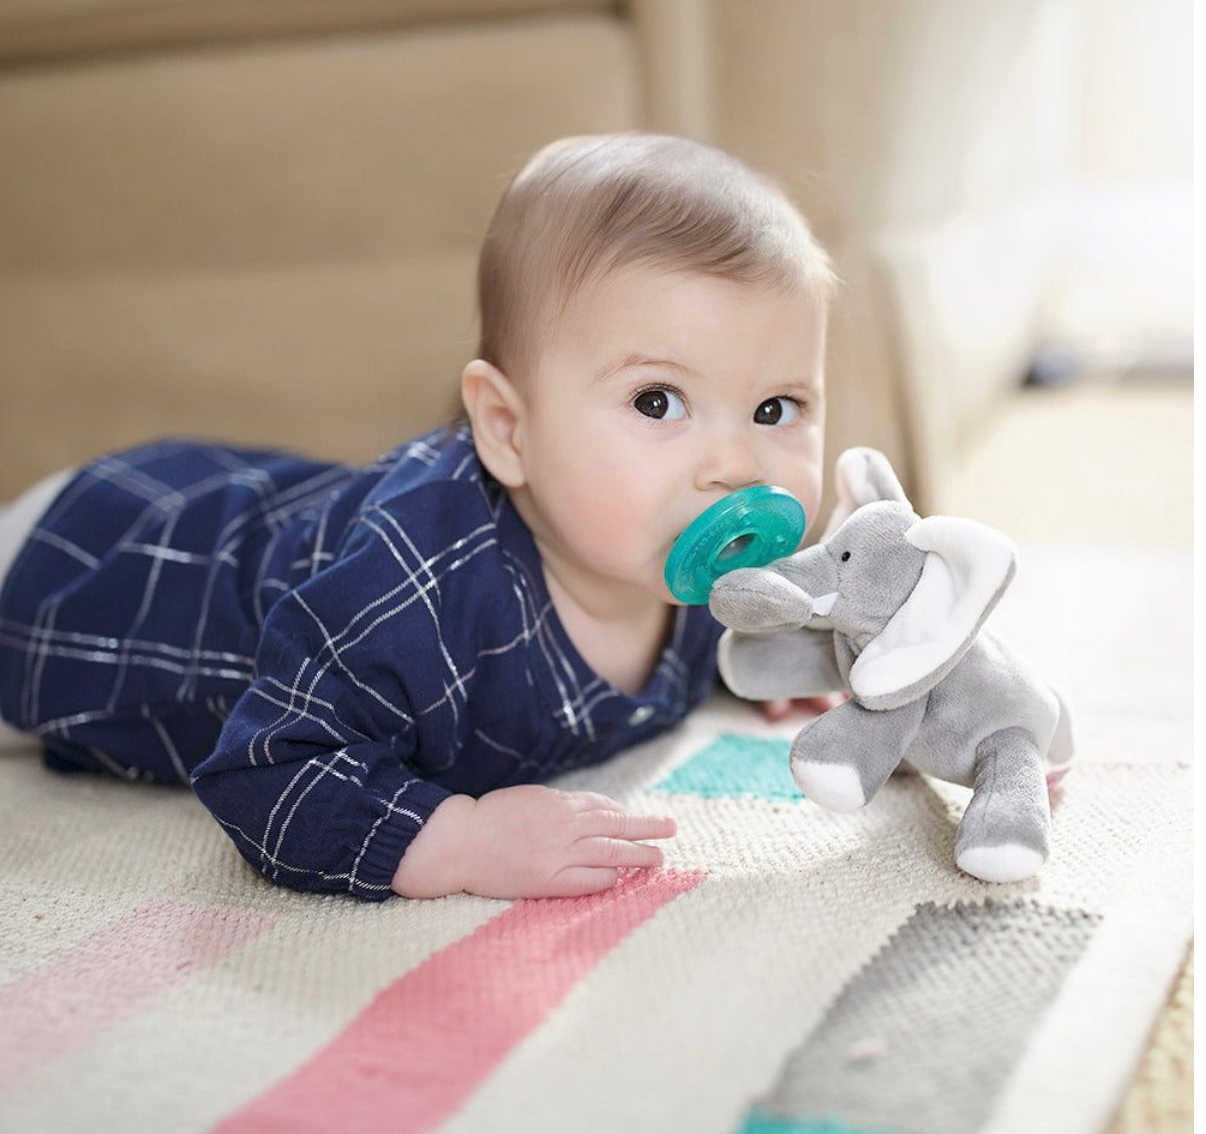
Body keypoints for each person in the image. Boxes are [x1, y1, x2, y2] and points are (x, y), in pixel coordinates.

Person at [0, 133, 836, 902]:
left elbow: (718, 628)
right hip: (92, 566)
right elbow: (264, 771)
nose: (738, 465)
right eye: (657, 401)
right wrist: (458, 841)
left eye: (775, 408)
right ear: (507, 429)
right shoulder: (419, 585)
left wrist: (765, 659)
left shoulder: (668, 544)